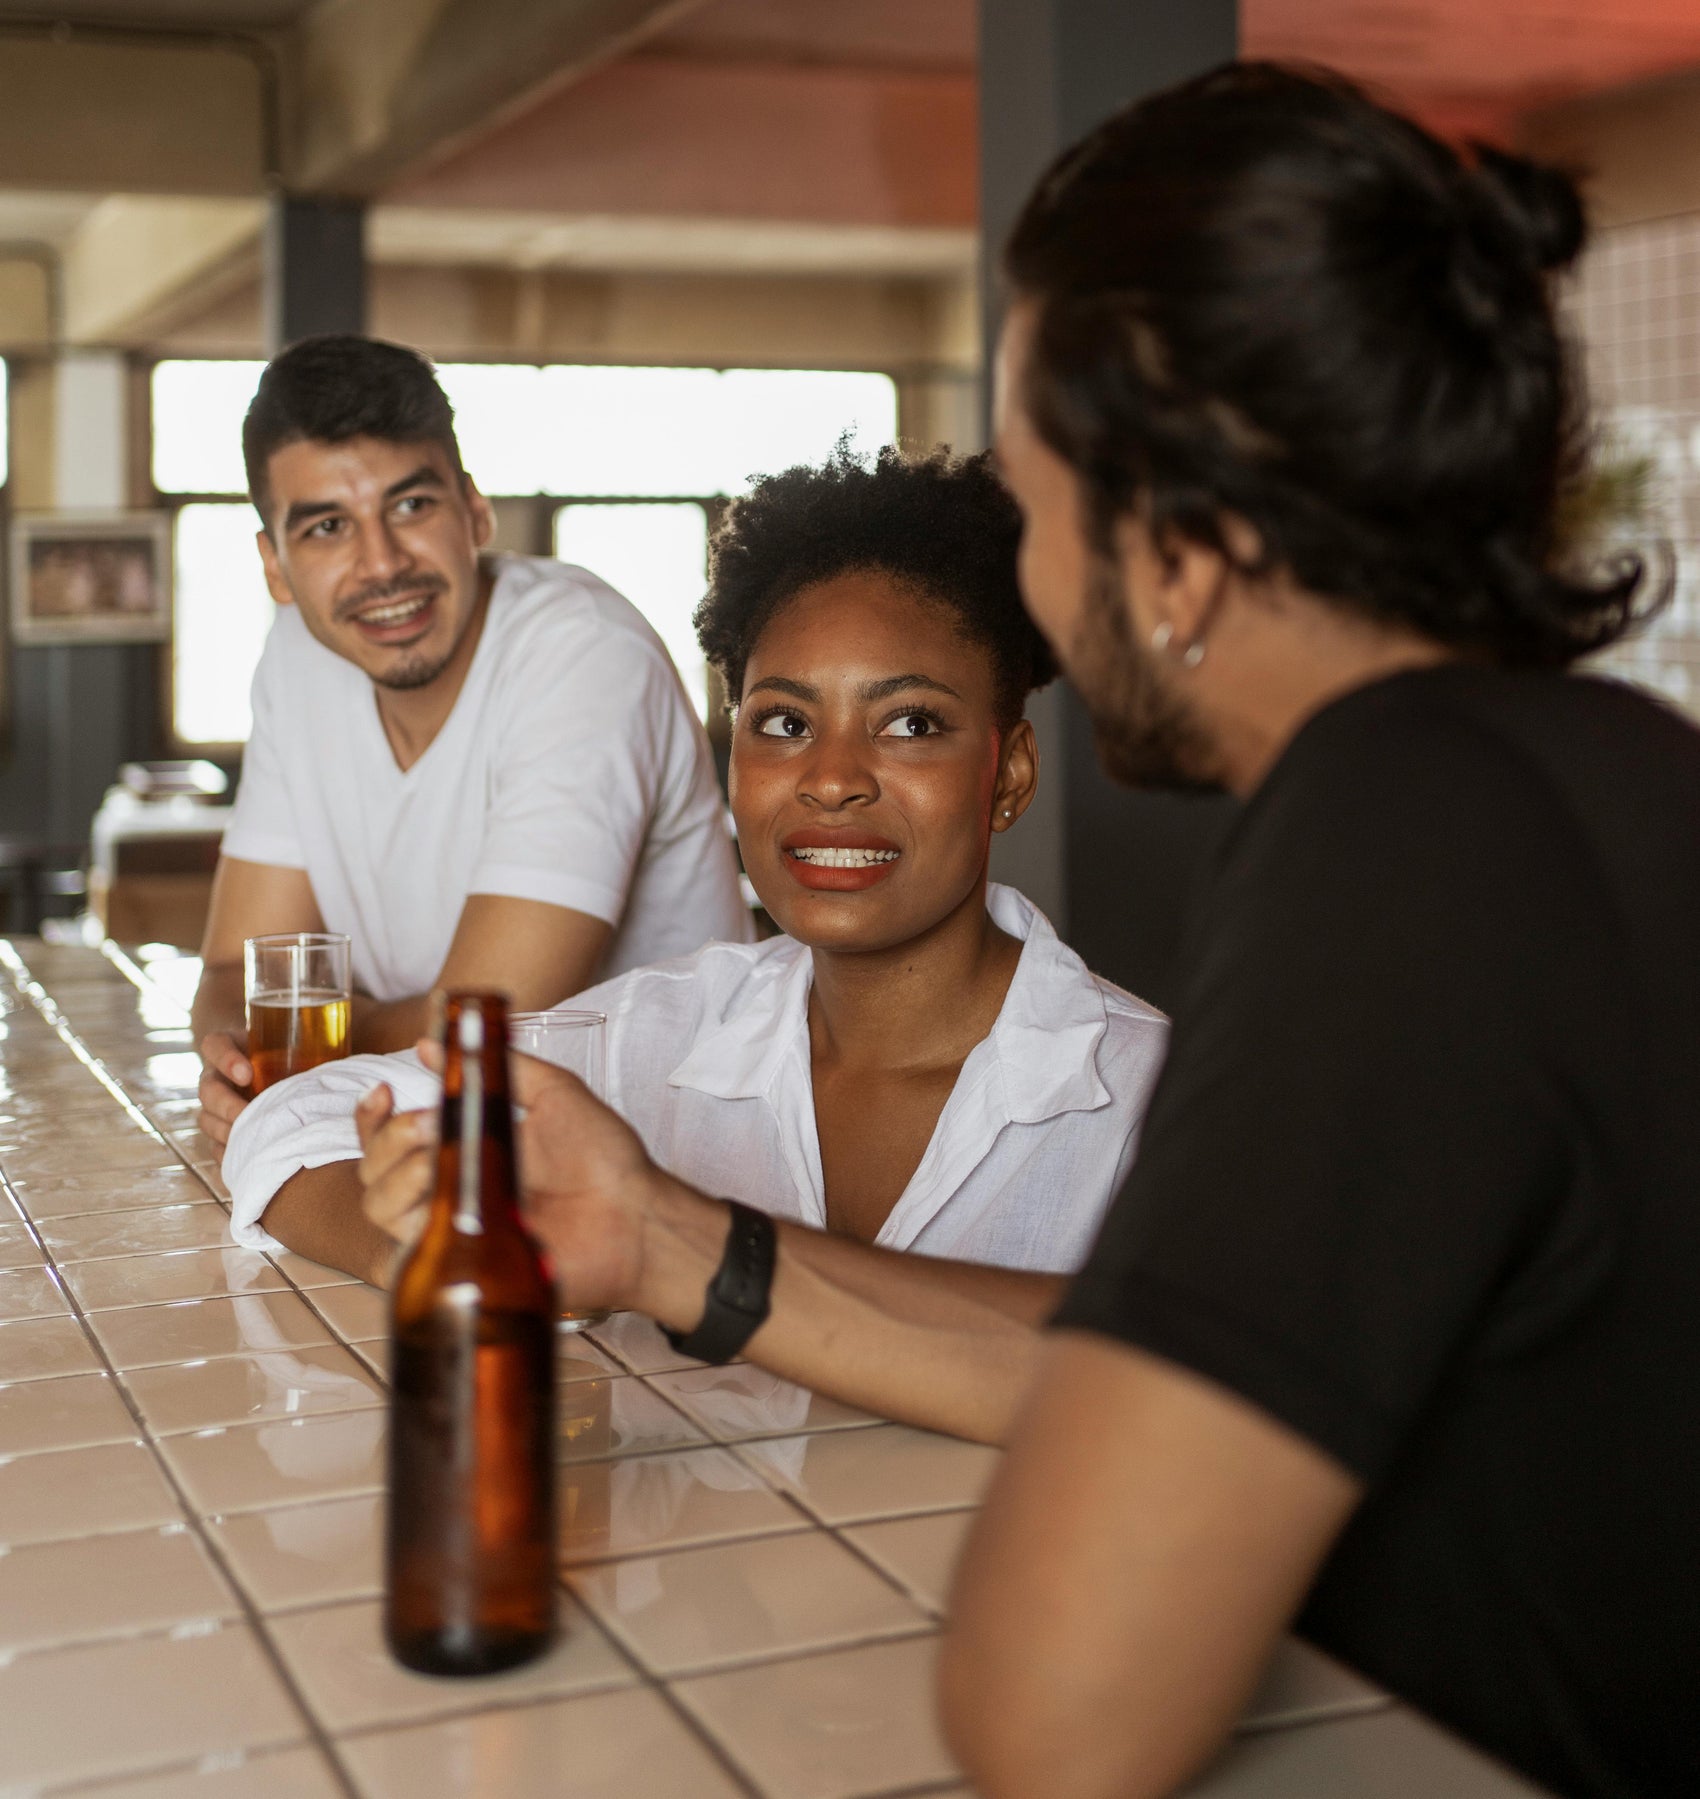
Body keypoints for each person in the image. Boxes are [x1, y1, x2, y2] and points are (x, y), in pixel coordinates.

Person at [337, 63, 1696, 1799]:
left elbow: (1057, 1711)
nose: (1037, 575)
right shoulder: (1593, 771)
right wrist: (679, 1238)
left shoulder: (1394, 845)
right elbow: (1210, 1353)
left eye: (1041, 506)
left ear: (1180, 551)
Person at [224, 447, 1169, 1303]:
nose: (833, 778)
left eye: (910, 722)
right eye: (785, 723)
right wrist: (430, 1248)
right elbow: (293, 1120)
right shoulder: (651, 1037)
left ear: (1008, 776)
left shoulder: (1148, 1099)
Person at [192, 335, 749, 1155]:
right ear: (275, 565)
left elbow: (484, 1021)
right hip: (434, 1145)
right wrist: (236, 1069)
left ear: (474, 511)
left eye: (412, 506)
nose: (381, 564)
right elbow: (236, 975)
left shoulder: (583, 651)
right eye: (326, 527)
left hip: (663, 1168)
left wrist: (299, 1054)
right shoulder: (296, 659)